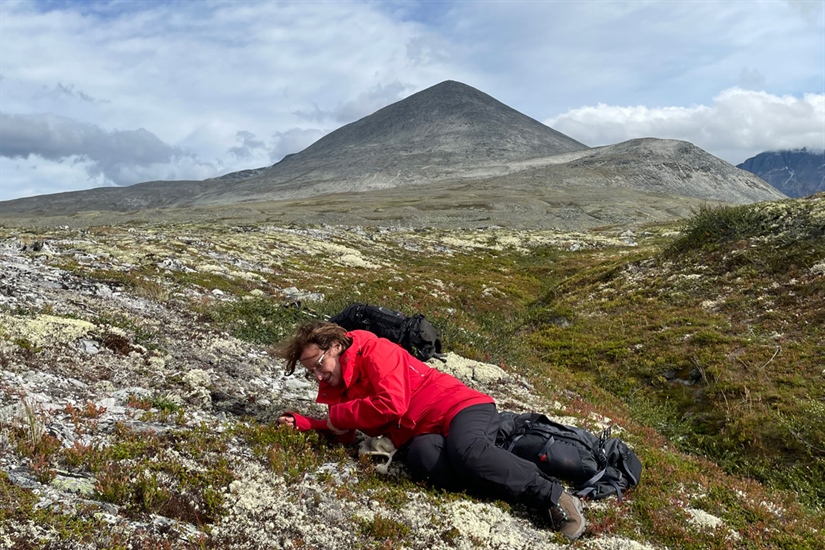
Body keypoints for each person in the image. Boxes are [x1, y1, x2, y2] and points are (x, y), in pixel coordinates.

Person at [276, 321, 587, 542]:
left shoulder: (375, 352)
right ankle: (509, 486)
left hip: (460, 406)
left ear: (335, 346)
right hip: (422, 432)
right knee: (423, 460)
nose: (317, 375)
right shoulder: (339, 382)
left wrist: (339, 415)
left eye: (318, 363)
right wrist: (308, 424)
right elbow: (343, 431)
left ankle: (556, 497)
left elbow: (391, 404)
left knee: (466, 452)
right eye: (310, 371)